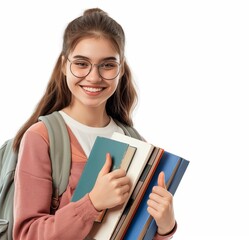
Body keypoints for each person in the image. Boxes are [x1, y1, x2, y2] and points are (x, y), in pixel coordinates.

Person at [12, 8, 177, 240]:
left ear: (121, 69)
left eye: (107, 65)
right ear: (63, 65)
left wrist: (164, 227)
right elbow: (27, 235)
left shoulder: (135, 142)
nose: (93, 77)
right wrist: (93, 203)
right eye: (81, 63)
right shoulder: (42, 137)